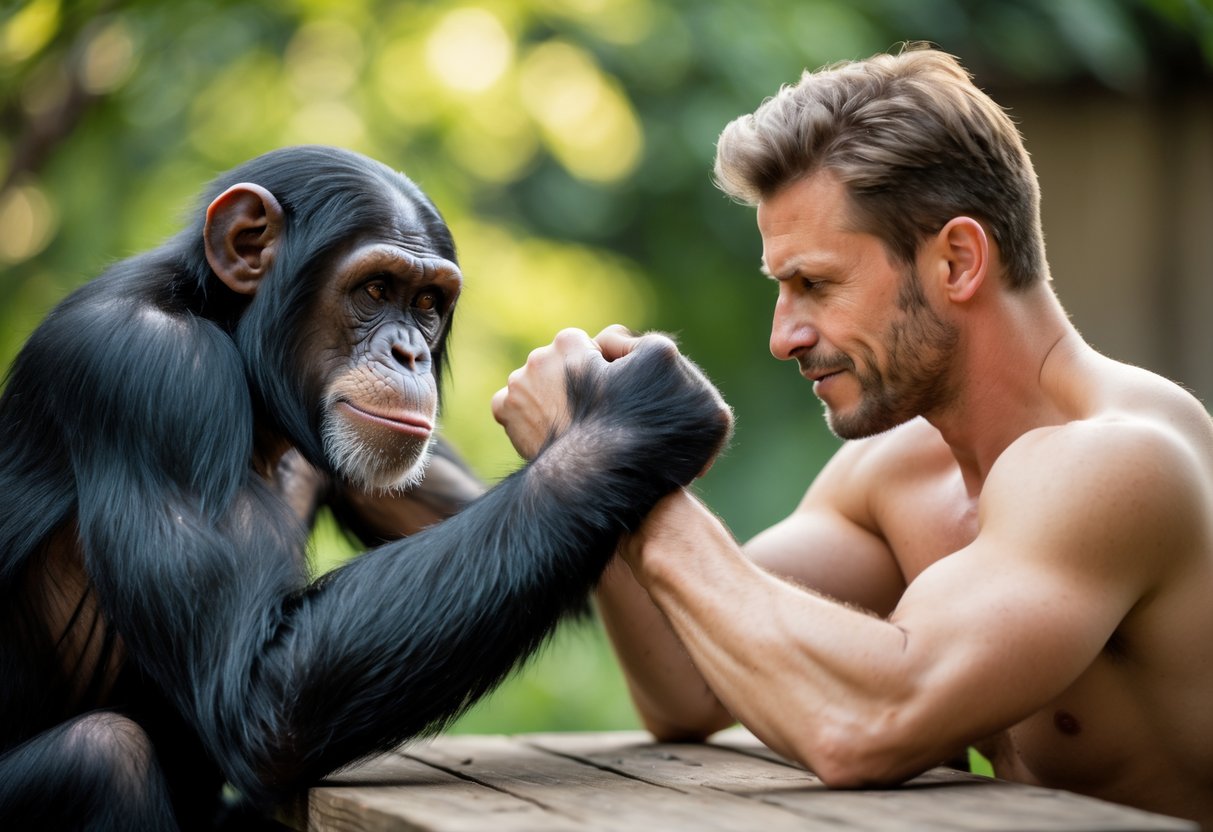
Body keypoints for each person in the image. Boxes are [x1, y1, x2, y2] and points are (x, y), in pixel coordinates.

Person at [491, 44, 1213, 828]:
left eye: (814, 283)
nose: (784, 335)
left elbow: (863, 727)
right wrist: (614, 458)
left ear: (957, 261)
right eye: (781, 288)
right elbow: (689, 685)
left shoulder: (1118, 460)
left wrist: (605, 469)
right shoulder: (895, 471)